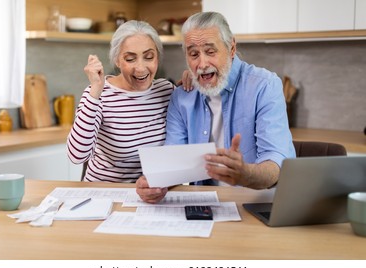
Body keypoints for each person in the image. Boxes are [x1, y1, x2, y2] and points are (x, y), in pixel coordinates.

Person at [136, 11, 296, 203]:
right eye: (193, 54)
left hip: (256, 203)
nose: (202, 64)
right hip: (205, 206)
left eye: (210, 52)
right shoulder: (182, 97)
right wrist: (157, 183)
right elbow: (174, 163)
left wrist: (246, 174)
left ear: (231, 48)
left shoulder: (264, 86)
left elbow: (277, 163)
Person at [67, 20, 175, 182]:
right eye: (130, 59)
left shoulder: (166, 91)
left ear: (157, 58)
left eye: (148, 57)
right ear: (117, 60)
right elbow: (76, 155)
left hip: (150, 194)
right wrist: (96, 89)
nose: (140, 68)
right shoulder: (99, 94)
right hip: (104, 194)